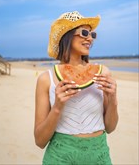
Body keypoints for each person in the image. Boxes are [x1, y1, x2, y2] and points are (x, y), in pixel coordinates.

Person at [34, 11, 118, 165]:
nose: (90, 38)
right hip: (60, 157)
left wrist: (113, 99)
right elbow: (39, 141)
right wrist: (58, 107)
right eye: (84, 32)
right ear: (67, 35)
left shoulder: (103, 73)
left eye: (93, 34)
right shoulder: (46, 79)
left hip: (99, 156)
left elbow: (110, 127)